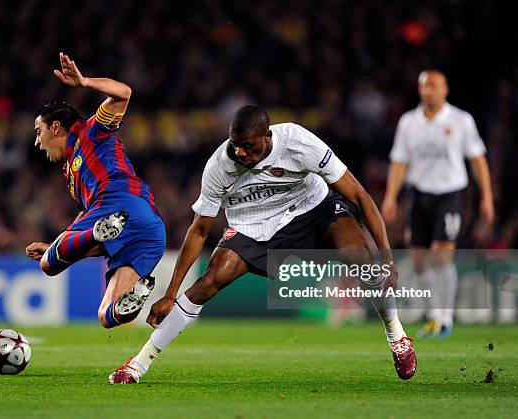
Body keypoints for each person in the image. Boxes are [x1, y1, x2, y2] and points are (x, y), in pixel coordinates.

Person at [109, 105, 417, 384]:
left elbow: (360, 196)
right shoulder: (219, 166)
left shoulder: (298, 141)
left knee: (362, 259)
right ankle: (138, 364)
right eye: (236, 145)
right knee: (209, 281)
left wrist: (386, 258)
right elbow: (199, 231)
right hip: (253, 224)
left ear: (268, 138)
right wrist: (170, 294)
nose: (241, 153)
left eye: (249, 146)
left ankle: (397, 336)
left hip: (313, 208)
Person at [25, 52, 166, 329]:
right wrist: (58, 245)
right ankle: (138, 294)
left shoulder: (91, 130)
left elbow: (123, 93)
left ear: (55, 127)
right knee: (108, 316)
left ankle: (94, 232)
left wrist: (85, 82)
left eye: (38, 132)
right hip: (148, 227)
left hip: (120, 202)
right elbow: (88, 230)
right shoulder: (70, 172)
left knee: (48, 265)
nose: (36, 142)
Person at [381, 70, 494, 338]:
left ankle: (446, 317)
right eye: (422, 86)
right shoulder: (409, 122)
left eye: (432, 85)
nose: (427, 90)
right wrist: (390, 196)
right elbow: (399, 162)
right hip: (419, 194)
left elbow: (477, 159)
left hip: (451, 193)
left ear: (445, 89)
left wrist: (487, 196)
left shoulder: (461, 120)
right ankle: (434, 315)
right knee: (419, 259)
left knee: (442, 253)